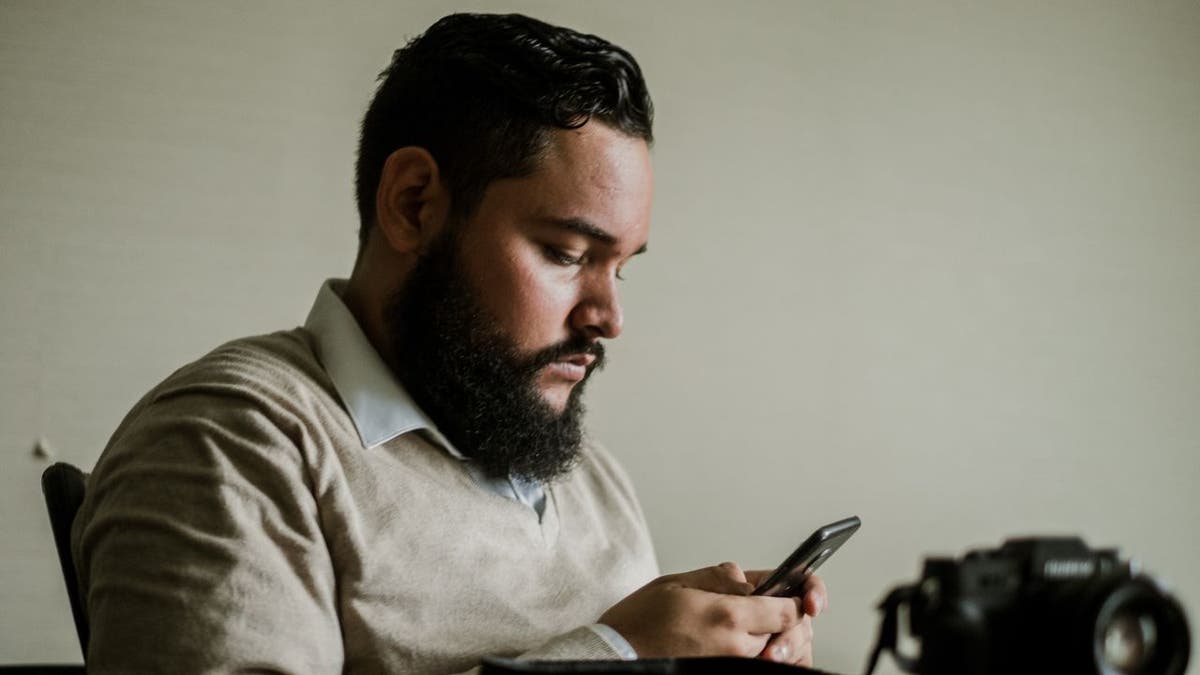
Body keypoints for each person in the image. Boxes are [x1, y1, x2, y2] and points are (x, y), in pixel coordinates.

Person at [71, 12, 828, 674]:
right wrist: (616, 653)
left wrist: (717, 653)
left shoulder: (594, 481)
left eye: (622, 268)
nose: (609, 316)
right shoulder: (231, 445)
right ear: (413, 203)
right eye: (567, 253)